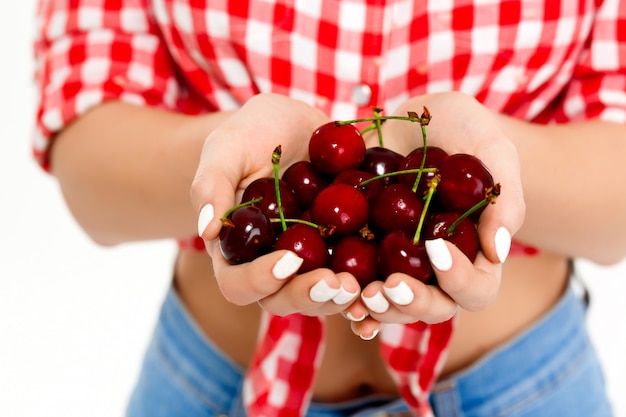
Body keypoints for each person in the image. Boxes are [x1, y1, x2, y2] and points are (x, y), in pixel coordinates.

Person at [32, 1, 626, 416]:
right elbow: (92, 182)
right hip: (214, 389)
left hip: (525, 393)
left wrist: (494, 168)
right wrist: (225, 161)